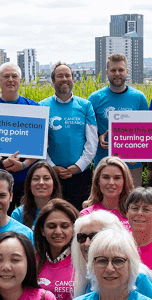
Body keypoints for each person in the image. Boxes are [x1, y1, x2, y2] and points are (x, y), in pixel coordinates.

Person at [40, 62, 98, 210]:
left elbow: (92, 142)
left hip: (81, 175)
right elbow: (38, 144)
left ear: (73, 79)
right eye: (60, 76)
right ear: (53, 81)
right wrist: (52, 167)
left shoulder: (85, 106)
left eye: (68, 75)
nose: (64, 79)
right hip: (52, 175)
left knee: (80, 216)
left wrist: (78, 166)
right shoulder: (41, 107)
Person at [73, 210, 152, 300]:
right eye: (82, 237)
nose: (87, 243)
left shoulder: (138, 277)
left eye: (94, 236)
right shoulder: (87, 276)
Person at [0, 62, 43, 202]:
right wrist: (2, 162)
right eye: (6, 76)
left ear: (20, 81)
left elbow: (42, 144)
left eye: (14, 76)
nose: (10, 79)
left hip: (27, 176)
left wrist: (23, 164)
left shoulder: (34, 107)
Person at [90, 53, 150, 185]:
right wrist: (99, 136)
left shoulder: (139, 98)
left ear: (127, 71)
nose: (117, 73)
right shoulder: (95, 98)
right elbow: (88, 130)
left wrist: (141, 153)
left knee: (133, 203)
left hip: (132, 165)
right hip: (104, 164)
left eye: (121, 70)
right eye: (113, 70)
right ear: (107, 72)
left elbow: (147, 131)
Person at [33, 199, 79, 300]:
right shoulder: (31, 261)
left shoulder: (83, 260)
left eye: (64, 226)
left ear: (74, 229)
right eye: (51, 226)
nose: (58, 231)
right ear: (42, 230)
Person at [79, 156, 133, 227]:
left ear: (125, 181)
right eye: (106, 177)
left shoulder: (134, 213)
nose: (111, 182)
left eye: (117, 178)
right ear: (98, 180)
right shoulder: (87, 214)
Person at [12, 162, 63, 228]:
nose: (41, 182)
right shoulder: (18, 214)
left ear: (54, 184)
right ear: (29, 185)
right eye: (36, 179)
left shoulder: (65, 212)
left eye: (46, 178)